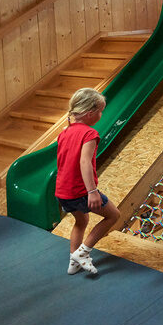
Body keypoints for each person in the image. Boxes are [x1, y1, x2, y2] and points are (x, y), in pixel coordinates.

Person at [55, 88, 120, 275]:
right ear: (90, 113)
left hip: (63, 191)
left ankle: (73, 263)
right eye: (100, 111)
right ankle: (82, 253)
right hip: (80, 191)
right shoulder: (89, 134)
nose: (101, 115)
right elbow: (84, 162)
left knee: (81, 220)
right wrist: (92, 192)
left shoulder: (64, 133)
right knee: (113, 215)